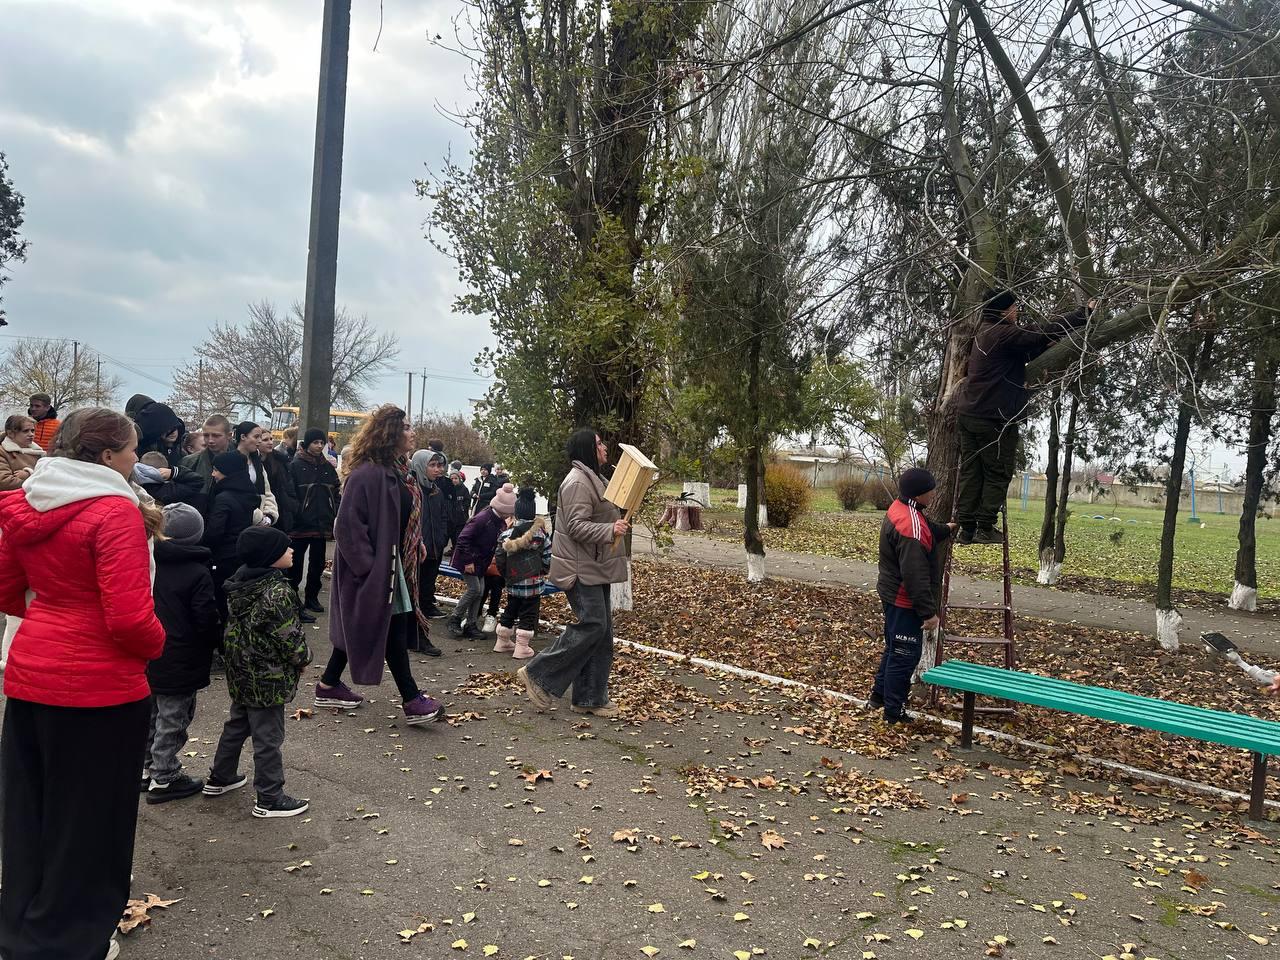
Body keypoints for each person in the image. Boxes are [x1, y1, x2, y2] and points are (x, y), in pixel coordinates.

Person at [0, 406, 166, 960]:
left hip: (32, 674)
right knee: (91, 818)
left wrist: (50, 615)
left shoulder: (28, 501)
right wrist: (158, 645)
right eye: (132, 449)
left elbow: (6, 586)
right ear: (107, 456)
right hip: (101, 686)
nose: (136, 459)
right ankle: (70, 938)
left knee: (33, 810)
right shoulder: (114, 511)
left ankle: (24, 926)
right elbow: (130, 618)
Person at [318, 405, 445, 724]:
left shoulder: (398, 471)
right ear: (390, 433)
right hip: (377, 569)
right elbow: (347, 527)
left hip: (392, 564)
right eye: (406, 427)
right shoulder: (368, 474)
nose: (412, 432)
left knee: (369, 625)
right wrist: (368, 567)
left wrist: (415, 542)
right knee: (390, 628)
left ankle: (328, 684)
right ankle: (411, 699)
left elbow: (399, 517)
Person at [954, 288, 1093, 544]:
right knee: (997, 472)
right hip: (994, 418)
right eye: (1014, 307)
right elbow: (1040, 332)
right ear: (1003, 311)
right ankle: (985, 527)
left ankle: (967, 528)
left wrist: (1045, 346)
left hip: (969, 413)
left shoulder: (984, 332)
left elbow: (1024, 350)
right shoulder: (1003, 333)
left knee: (972, 472)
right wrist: (1082, 315)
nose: (1017, 312)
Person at [518, 430, 630, 717]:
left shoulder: (595, 478)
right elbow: (577, 526)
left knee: (601, 633)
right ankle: (538, 673)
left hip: (595, 566)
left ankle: (589, 698)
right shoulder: (578, 482)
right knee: (593, 625)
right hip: (579, 568)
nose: (604, 448)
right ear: (587, 449)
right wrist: (610, 529)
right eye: (599, 444)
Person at [204, 526, 312, 818]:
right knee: (268, 736)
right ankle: (270, 796)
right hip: (268, 675)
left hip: (242, 669)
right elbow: (288, 636)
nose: (291, 550)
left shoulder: (239, 583)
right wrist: (303, 659)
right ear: (270, 556)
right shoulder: (277, 592)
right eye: (285, 547)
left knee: (237, 724)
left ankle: (221, 777)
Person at [144, 503, 221, 804]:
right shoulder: (197, 572)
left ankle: (146, 767)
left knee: (152, 712)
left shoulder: (147, 562)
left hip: (151, 649)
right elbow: (205, 617)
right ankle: (164, 775)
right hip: (182, 654)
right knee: (174, 717)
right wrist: (215, 641)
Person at [869, 468, 955, 723]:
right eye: (931, 490)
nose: (934, 494)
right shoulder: (911, 527)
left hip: (892, 594)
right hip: (903, 600)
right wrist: (928, 614)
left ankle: (879, 697)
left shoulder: (902, 508)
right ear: (919, 494)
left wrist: (947, 529)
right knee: (905, 654)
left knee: (894, 648)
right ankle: (893, 712)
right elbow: (915, 575)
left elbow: (926, 528)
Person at [448, 482, 516, 639]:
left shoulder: (499, 521)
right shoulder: (482, 518)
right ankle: (455, 618)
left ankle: (471, 624)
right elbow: (463, 539)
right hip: (468, 560)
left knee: (480, 592)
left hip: (481, 562)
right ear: (503, 509)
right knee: (474, 589)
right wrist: (468, 561)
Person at [493, 487, 552, 660]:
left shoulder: (506, 535)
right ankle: (522, 648)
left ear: (516, 513)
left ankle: (502, 641)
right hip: (533, 583)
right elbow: (548, 557)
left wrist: (506, 575)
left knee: (510, 608)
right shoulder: (540, 535)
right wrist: (543, 571)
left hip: (513, 581)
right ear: (533, 513)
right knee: (528, 614)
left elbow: (499, 557)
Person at [288, 428, 340, 616]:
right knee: (295, 564)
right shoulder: (295, 465)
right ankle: (293, 598)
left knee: (317, 563)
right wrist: (297, 512)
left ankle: (312, 597)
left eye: (321, 443)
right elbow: (289, 492)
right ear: (307, 443)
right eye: (315, 442)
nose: (319, 446)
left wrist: (333, 510)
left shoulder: (327, 467)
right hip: (300, 524)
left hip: (321, 523)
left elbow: (336, 490)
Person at [204, 450, 260, 616]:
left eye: (216, 470)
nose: (213, 474)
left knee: (221, 601)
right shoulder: (249, 493)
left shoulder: (223, 498)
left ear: (228, 471)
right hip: (242, 554)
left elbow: (214, 532)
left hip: (223, 558)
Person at [409, 449, 450, 643]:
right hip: (417, 544)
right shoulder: (412, 489)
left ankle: (427, 605)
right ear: (420, 466)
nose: (438, 469)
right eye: (432, 465)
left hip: (435, 543)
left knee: (430, 577)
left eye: (439, 465)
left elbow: (443, 516)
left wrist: (442, 537)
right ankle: (414, 610)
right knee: (416, 578)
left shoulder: (436, 491)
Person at [181, 413, 233, 506]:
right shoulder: (189, 462)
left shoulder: (240, 462)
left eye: (216, 436)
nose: (210, 440)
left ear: (229, 435)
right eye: (206, 435)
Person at [258, 430, 297, 534]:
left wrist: (292, 505)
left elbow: (288, 486)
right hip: (262, 509)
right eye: (265, 440)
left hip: (281, 509)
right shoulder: (252, 463)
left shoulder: (280, 461)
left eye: (271, 439)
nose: (270, 442)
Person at [0, 414, 42, 491]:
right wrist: (37, 484)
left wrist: (29, 474)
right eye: (25, 431)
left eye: (32, 430)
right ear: (10, 433)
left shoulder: (39, 452)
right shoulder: (2, 452)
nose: (31, 434)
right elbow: (4, 482)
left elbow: (47, 475)